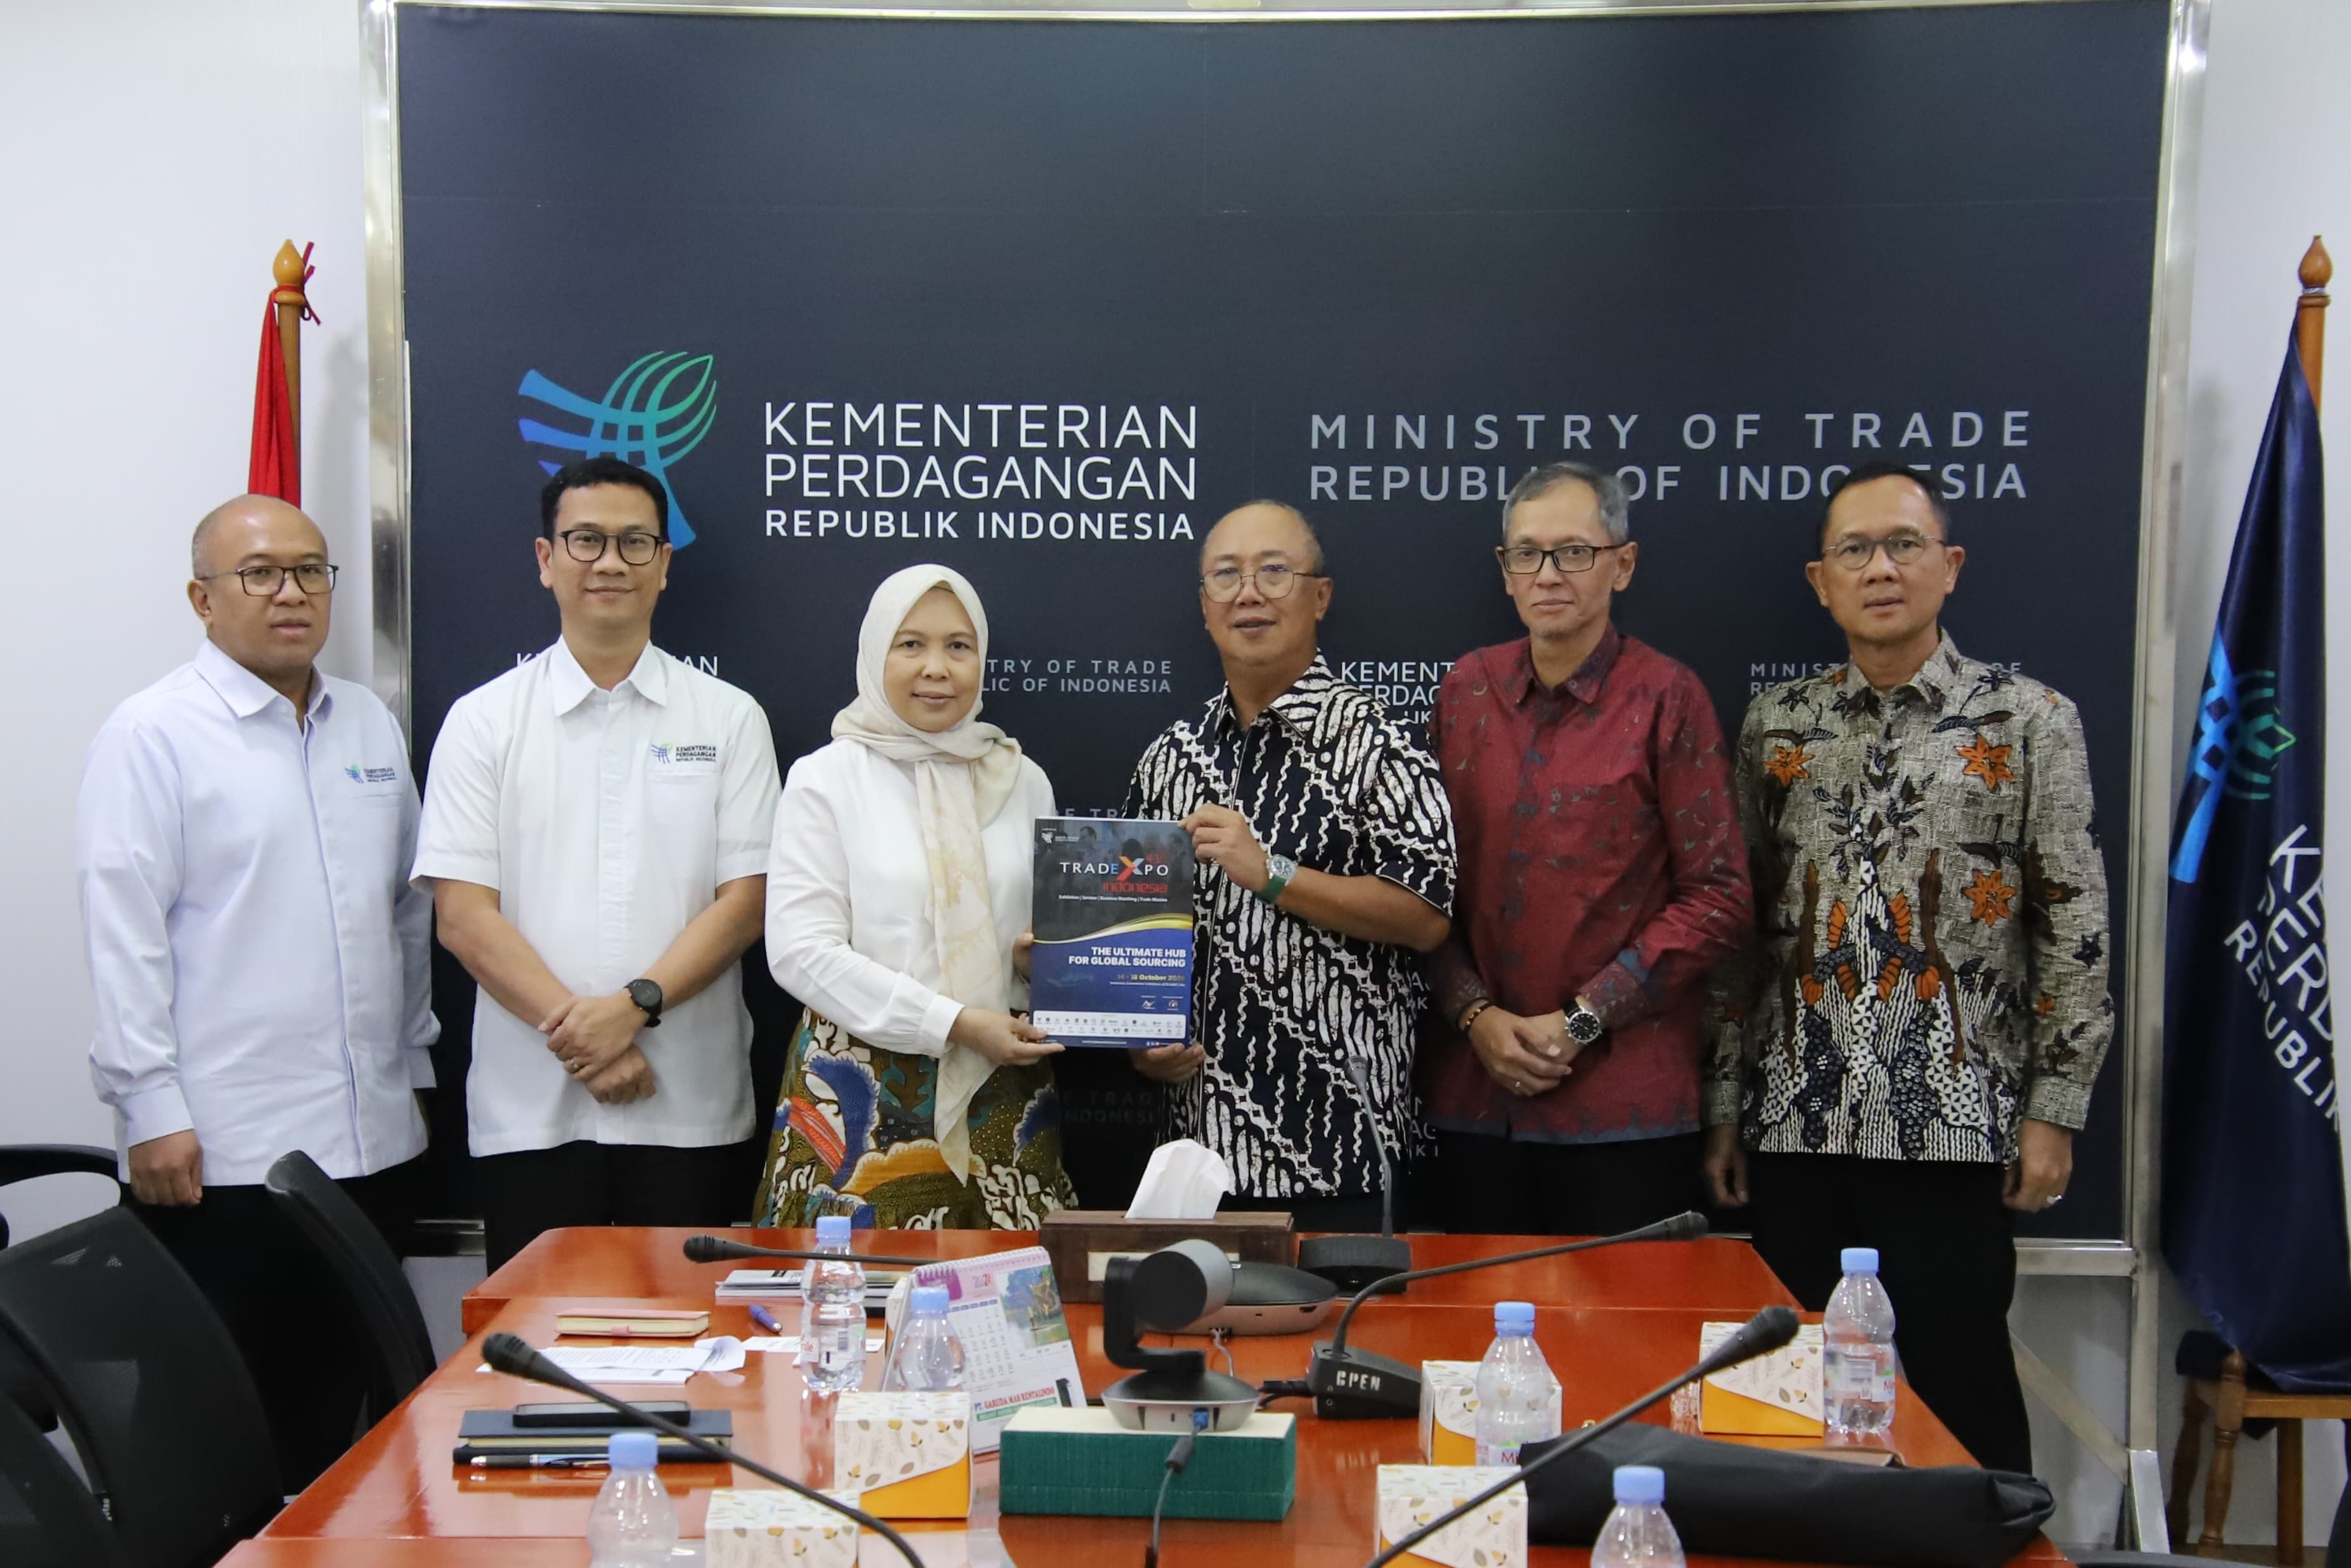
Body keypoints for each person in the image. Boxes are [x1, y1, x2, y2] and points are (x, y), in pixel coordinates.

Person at [1705, 463, 2111, 1475]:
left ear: (1950, 564)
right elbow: (1740, 930)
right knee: (1794, 1406)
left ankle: (1990, 1542)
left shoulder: (2029, 720)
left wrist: (2055, 1109)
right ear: (1821, 580)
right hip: (1796, 1119)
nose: (1879, 569)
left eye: (1903, 545)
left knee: (1962, 1391)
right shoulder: (1775, 724)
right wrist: (1723, 1104)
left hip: (1954, 1122)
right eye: (1855, 550)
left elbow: (2072, 922)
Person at [77, 494, 435, 1488]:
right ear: (203, 598)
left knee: (343, 1421)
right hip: (219, 1154)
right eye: (261, 572)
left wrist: (413, 1066)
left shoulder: (366, 722)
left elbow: (406, 911)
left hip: (370, 1142)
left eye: (311, 570)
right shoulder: (152, 733)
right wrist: (149, 1105)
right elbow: (123, 931)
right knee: (211, 1432)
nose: (291, 592)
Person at [416, 456, 781, 1271]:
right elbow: (463, 916)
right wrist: (588, 1037)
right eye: (585, 540)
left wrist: (633, 1007)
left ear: (664, 563)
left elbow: (747, 900)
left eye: (633, 542)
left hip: (687, 1103)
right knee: (536, 1341)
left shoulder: (729, 718)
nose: (610, 561)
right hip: (531, 1109)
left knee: (694, 1339)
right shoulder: (482, 721)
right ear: (546, 559)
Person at [1422, 463, 1752, 1235]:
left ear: (1621, 563)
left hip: (1622, 1109)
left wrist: (1578, 1019)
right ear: (1505, 569)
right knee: (1468, 1310)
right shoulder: (1464, 691)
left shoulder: (1668, 697)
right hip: (1475, 1097)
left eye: (1573, 552)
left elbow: (1720, 898)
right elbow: (1419, 888)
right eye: (1526, 553)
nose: (1547, 574)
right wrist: (1474, 1015)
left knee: (1624, 1314)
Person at [1123, 501, 1455, 1226]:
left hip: (1340, 1150)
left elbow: (1426, 915)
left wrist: (1272, 872)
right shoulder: (1168, 759)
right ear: (1204, 605)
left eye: (1273, 571)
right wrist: (1143, 1045)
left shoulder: (1380, 747)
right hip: (1196, 1158)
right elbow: (1137, 935)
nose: (1249, 593)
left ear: (1320, 595)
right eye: (1227, 575)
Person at [755, 564, 1076, 1228]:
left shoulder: (1024, 780)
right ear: (876, 653)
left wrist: (1031, 965)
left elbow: (1038, 934)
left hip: (1002, 1086)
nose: (937, 667)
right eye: (911, 644)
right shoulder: (827, 779)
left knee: (1009, 1288)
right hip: (859, 1093)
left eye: (958, 646)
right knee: (854, 1290)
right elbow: (801, 951)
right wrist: (952, 1021)